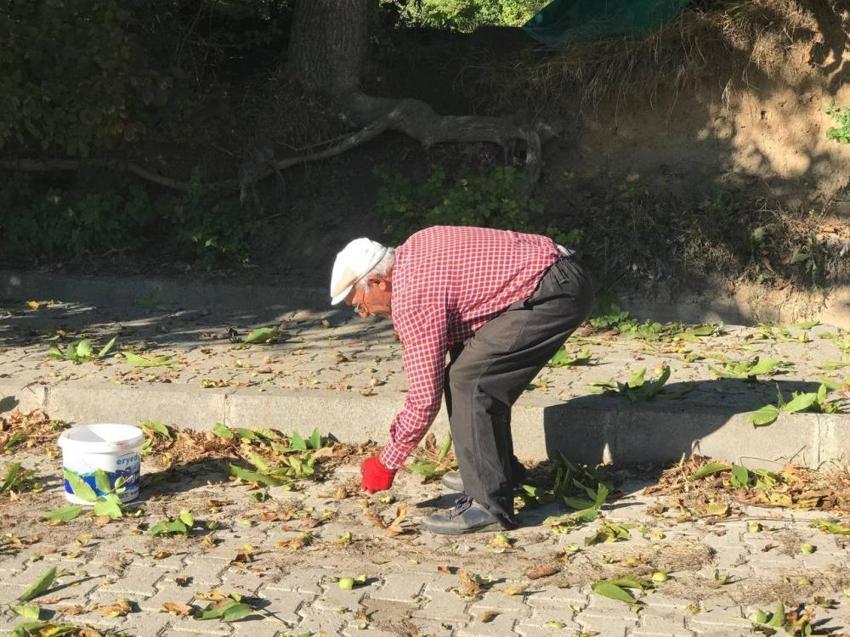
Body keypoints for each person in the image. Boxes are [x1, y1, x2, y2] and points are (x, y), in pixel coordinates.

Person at [329, 225, 593, 534]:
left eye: (359, 304)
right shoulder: (414, 248)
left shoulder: (412, 296)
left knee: (470, 381)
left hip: (553, 294)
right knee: (469, 365)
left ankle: (489, 506)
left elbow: (424, 400)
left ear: (378, 282)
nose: (363, 313)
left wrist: (386, 462)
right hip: (558, 275)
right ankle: (496, 473)